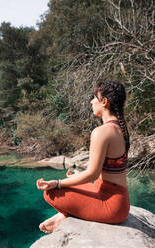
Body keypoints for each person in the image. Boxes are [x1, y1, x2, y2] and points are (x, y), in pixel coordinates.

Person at [36, 81, 130, 234]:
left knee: (50, 192)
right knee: (70, 183)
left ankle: (64, 215)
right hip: (118, 199)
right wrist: (76, 177)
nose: (91, 101)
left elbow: (91, 174)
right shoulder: (120, 128)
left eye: (94, 97)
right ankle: (65, 214)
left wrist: (57, 183)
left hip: (111, 205)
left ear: (104, 102)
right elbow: (101, 173)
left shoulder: (102, 132)